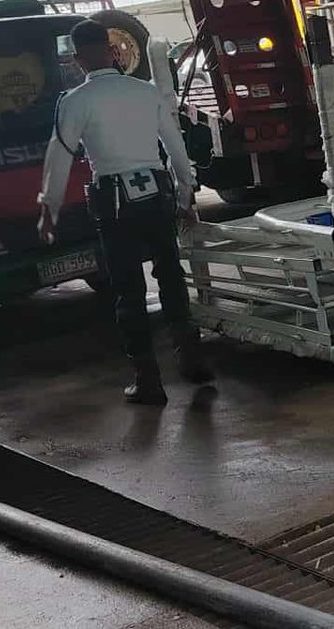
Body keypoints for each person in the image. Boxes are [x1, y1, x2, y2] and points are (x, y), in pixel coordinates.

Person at [39, 20, 212, 404]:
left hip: (113, 201)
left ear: (77, 59)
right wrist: (186, 196)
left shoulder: (75, 101)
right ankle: (192, 360)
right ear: (112, 50)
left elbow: (60, 154)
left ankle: (148, 380)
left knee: (129, 290)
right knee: (170, 275)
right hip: (157, 195)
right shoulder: (145, 92)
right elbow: (175, 147)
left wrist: (49, 208)